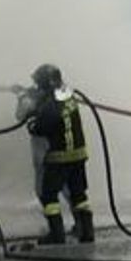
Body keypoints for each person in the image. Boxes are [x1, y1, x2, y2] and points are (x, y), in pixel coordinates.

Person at [27, 63, 94, 245]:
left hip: (59, 157)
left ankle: (56, 235)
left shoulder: (50, 105)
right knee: (79, 194)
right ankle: (87, 232)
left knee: (49, 196)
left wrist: (32, 123)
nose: (38, 88)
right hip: (79, 155)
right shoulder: (70, 97)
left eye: (39, 84)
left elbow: (39, 128)